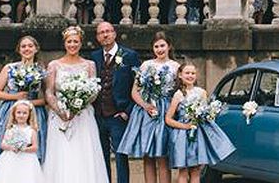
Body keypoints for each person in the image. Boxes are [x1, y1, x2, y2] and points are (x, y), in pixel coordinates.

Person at [43, 27, 107, 183]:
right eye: (69, 41)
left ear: (81, 43)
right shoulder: (54, 65)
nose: (72, 45)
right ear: (64, 43)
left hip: (82, 116)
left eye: (76, 41)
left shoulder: (90, 65)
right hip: (59, 116)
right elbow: (49, 92)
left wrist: (77, 106)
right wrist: (60, 111)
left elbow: (93, 91)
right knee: (61, 153)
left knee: (83, 152)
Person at [118, 33, 180, 183]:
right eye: (156, 46)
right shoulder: (146, 65)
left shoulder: (176, 66)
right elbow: (135, 91)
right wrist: (145, 105)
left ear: (169, 46)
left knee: (163, 155)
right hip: (147, 112)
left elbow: (179, 91)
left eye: (162, 45)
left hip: (166, 110)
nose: (159, 49)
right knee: (148, 156)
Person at [0, 36, 49, 162]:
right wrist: (15, 97)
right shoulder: (9, 68)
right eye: (23, 46)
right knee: (8, 147)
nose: (27, 49)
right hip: (10, 109)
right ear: (19, 50)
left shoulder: (40, 71)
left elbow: (46, 99)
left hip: (33, 112)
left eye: (30, 46)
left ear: (36, 49)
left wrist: (30, 103)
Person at [166, 63, 235, 183]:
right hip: (183, 136)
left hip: (198, 134)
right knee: (183, 170)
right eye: (187, 73)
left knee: (196, 169)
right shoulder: (178, 95)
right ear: (180, 75)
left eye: (193, 73)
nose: (190, 76)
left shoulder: (201, 92)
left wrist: (207, 115)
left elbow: (204, 112)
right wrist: (185, 126)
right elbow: (168, 119)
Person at [93, 22, 140, 183]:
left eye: (108, 31)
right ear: (98, 37)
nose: (105, 35)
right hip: (98, 115)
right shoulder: (94, 57)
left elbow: (138, 86)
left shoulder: (129, 55)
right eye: (101, 33)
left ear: (114, 33)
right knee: (101, 155)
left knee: (121, 156)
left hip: (119, 115)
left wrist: (127, 111)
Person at [0, 100, 46, 183]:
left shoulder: (32, 130)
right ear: (14, 114)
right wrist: (11, 147)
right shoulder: (10, 129)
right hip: (10, 157)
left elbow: (35, 147)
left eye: (24, 113)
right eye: (18, 112)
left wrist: (24, 149)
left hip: (27, 159)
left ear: (29, 115)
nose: (21, 115)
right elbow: (3, 144)